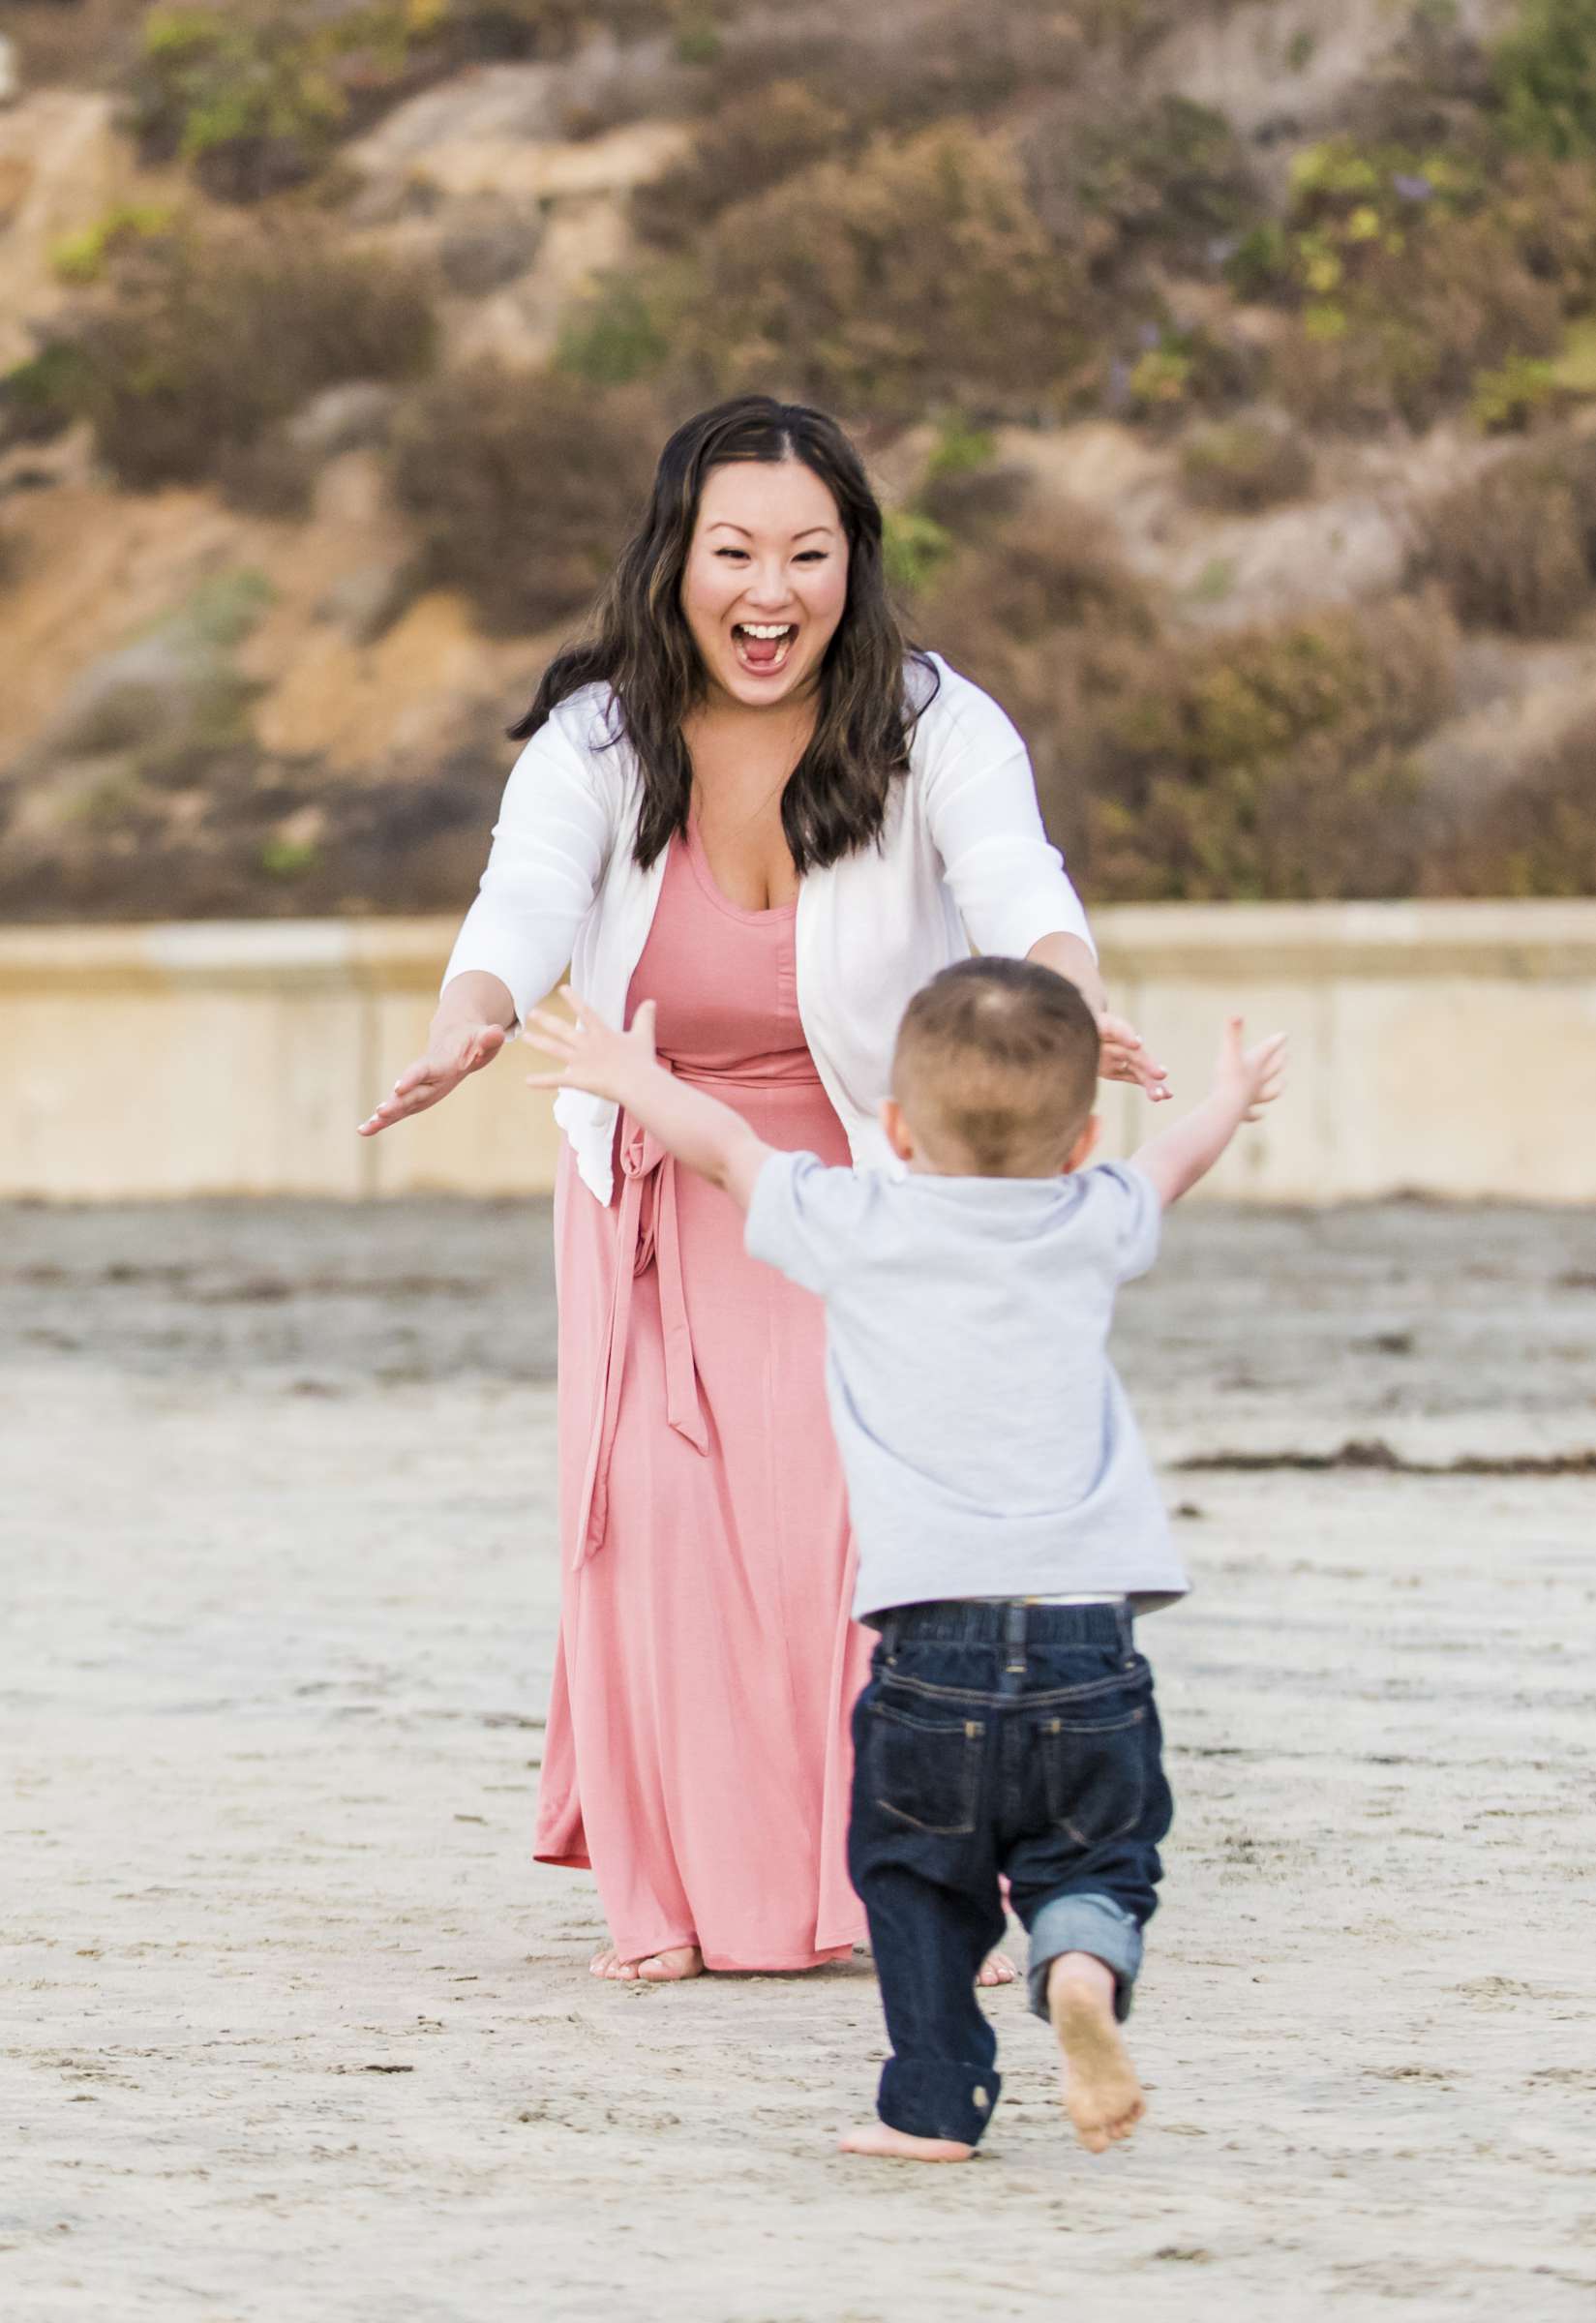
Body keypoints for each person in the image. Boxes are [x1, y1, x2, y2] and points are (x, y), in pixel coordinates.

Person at [359, 394, 1170, 1985]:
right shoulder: (601, 734)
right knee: (652, 1537)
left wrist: (1058, 1001)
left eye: (806, 554)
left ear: (850, 569)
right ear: (676, 561)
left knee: (863, 1535)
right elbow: (521, 897)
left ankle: (932, 1880)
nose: (767, 590)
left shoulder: (934, 723)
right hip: (653, 1192)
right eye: (732, 550)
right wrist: (470, 1017)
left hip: (866, 1195)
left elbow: (1020, 887)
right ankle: (673, 1892)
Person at [525, 961, 1286, 2155]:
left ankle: (933, 2106)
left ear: (890, 1125)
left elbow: (724, 1151)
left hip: (930, 1635)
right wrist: (1225, 1099)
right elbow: (1168, 1170)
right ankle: (1079, 1959)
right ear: (1082, 1133)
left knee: (914, 1877)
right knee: (1095, 1850)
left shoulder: (859, 1220)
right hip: (1089, 1632)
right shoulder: (1089, 1214)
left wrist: (630, 1074)